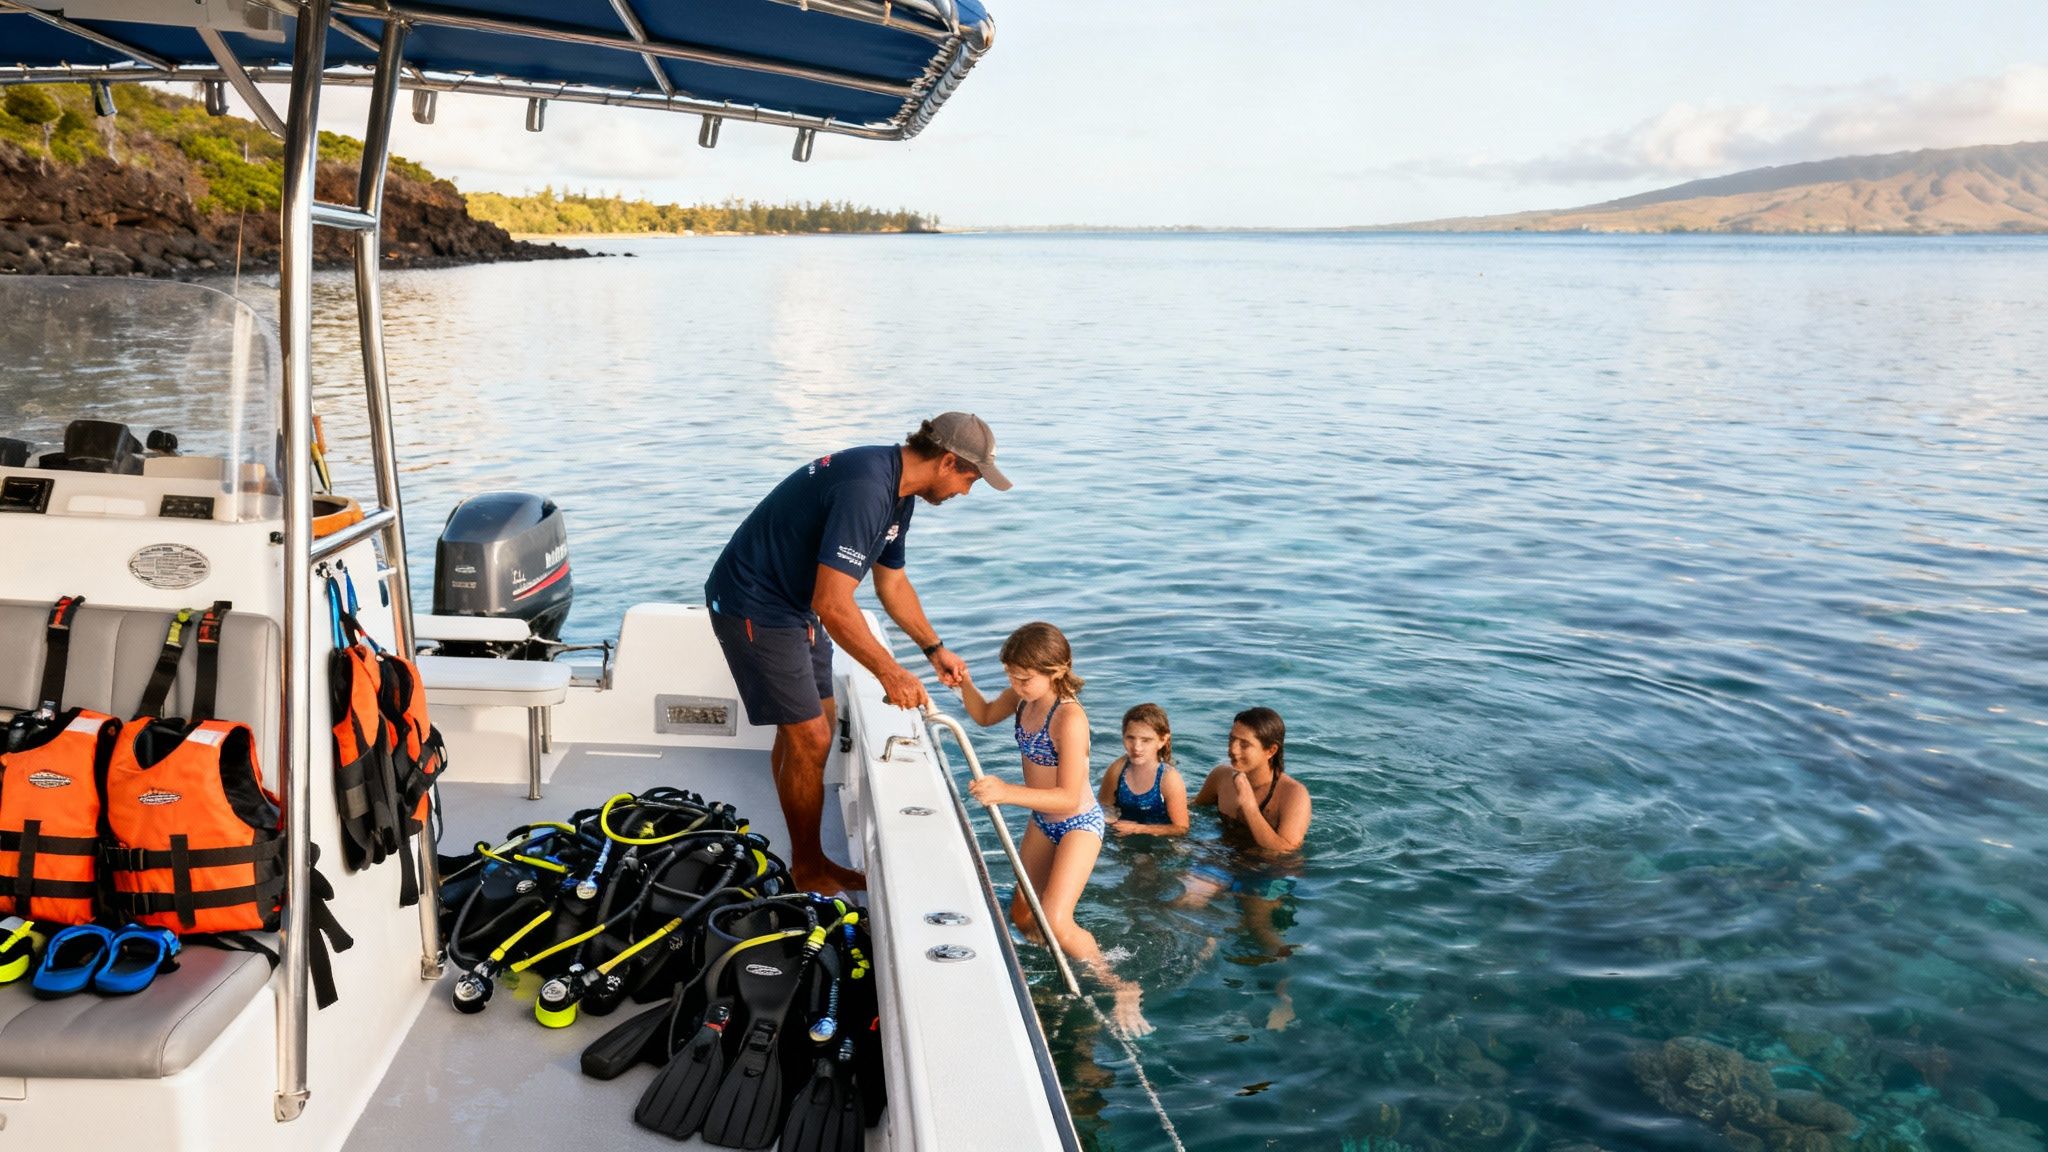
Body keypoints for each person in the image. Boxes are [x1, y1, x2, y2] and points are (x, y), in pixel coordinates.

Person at [703, 413, 1009, 894]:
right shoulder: (868, 487)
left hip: (792, 602)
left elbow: (892, 582)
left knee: (816, 722)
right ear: (948, 460)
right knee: (811, 737)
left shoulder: (897, 493)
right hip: (755, 603)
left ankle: (808, 856)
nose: (965, 493)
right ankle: (808, 868)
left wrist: (933, 649)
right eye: (969, 479)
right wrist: (890, 672)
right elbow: (833, 603)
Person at [956, 622, 1150, 1036]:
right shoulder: (1024, 695)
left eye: (1023, 678)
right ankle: (1057, 963)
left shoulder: (1069, 718)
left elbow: (1067, 796)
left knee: (1057, 920)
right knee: (1023, 915)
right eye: (1010, 675)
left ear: (1056, 670)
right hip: (1043, 820)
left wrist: (1007, 791)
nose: (1015, 685)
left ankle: (1119, 985)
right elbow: (985, 715)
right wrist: (964, 683)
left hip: (1078, 822)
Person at [1098, 703, 1189, 836]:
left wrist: (1138, 829)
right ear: (1123, 736)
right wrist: (1109, 819)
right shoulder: (1117, 770)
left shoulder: (1169, 778)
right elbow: (1104, 806)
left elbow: (1181, 829)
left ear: (1162, 740)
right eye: (1130, 738)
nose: (1136, 747)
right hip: (1124, 834)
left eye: (1146, 740)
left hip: (1162, 842)